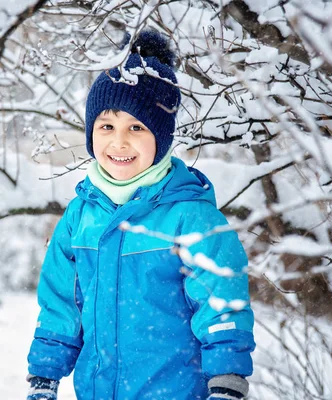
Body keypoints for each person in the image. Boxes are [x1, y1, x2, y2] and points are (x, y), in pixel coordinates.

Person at [26, 29, 255, 400]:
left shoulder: (190, 217)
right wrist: (43, 377)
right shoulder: (80, 216)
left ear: (161, 137)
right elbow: (60, 304)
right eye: (107, 126)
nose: (119, 142)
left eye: (136, 127)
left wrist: (227, 382)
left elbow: (221, 305)